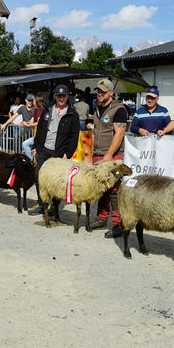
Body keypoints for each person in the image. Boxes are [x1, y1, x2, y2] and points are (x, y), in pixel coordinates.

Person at [28, 84, 80, 216]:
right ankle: (42, 204)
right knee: (38, 176)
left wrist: (67, 154)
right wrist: (35, 147)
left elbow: (74, 136)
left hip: (59, 152)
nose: (61, 98)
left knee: (57, 181)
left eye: (64, 95)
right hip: (44, 149)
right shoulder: (48, 110)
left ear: (68, 96)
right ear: (55, 96)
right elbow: (39, 129)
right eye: (59, 96)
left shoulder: (73, 114)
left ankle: (54, 207)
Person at [87, 78, 128, 238]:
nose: (100, 93)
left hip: (113, 157)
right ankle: (102, 218)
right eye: (98, 90)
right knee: (101, 189)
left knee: (114, 190)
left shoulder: (119, 109)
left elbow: (119, 133)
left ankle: (118, 224)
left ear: (111, 92)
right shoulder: (97, 108)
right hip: (98, 155)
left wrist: (109, 155)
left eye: (103, 91)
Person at [21, 94, 45, 159]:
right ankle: (31, 160)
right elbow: (31, 121)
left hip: (40, 136)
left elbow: (38, 123)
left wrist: (28, 125)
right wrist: (24, 123)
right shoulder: (36, 110)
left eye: (33, 100)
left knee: (25, 144)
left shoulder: (40, 110)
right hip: (36, 135)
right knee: (25, 144)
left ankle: (31, 161)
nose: (32, 101)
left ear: (37, 101)